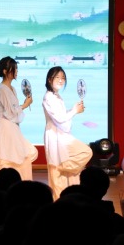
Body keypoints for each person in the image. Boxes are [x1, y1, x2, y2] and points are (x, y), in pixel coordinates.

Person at [0, 56, 38, 181]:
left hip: (12, 127)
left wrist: (23, 106)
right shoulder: (2, 89)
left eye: (16, 68)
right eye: (13, 68)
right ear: (5, 71)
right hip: (6, 127)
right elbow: (10, 112)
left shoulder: (12, 88)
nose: (16, 71)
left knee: (20, 158)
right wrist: (25, 105)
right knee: (9, 158)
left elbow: (13, 110)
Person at [42, 66, 92, 200]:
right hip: (54, 135)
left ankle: (64, 169)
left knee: (64, 175)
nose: (61, 80)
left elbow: (62, 117)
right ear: (49, 79)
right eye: (57, 77)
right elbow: (59, 118)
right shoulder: (48, 97)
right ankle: (57, 203)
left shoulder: (57, 96)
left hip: (61, 134)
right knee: (57, 179)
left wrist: (74, 110)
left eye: (63, 78)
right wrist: (74, 111)